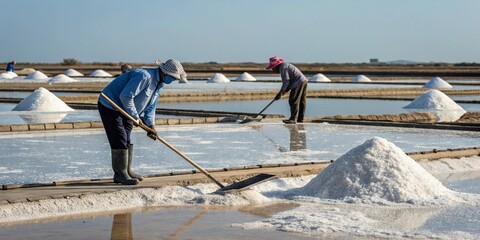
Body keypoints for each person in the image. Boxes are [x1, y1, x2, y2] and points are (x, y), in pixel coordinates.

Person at [98, 59, 187, 185]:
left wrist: (151, 126)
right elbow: (126, 96)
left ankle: (127, 170)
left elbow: (151, 107)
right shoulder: (144, 76)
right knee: (119, 137)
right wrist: (135, 116)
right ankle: (120, 174)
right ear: (164, 73)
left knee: (126, 137)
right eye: (173, 77)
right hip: (111, 105)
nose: (173, 80)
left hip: (127, 109)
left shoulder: (158, 84)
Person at [266, 56, 308, 124]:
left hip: (298, 82)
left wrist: (280, 93)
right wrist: (283, 93)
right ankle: (300, 119)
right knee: (301, 101)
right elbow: (288, 84)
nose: (273, 70)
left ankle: (293, 119)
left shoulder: (283, 67)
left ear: (276, 66)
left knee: (293, 99)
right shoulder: (284, 65)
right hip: (303, 81)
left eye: (273, 68)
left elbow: (286, 82)